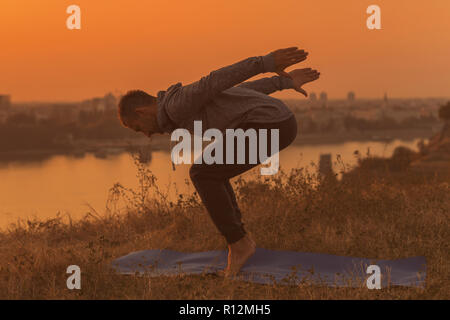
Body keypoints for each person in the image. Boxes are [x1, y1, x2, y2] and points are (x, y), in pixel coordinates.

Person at [118, 46, 320, 276]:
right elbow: (236, 92)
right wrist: (281, 83)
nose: (145, 135)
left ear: (143, 112)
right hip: (276, 123)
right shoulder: (176, 109)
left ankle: (240, 244)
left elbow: (215, 80)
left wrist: (264, 63)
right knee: (210, 173)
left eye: (138, 128)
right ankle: (240, 241)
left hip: (270, 125)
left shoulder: (175, 106)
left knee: (203, 174)